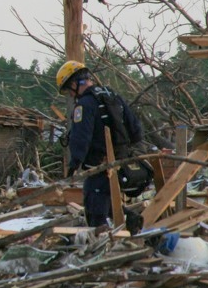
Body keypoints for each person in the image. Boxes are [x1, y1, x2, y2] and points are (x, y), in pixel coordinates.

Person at [56, 61, 145, 228]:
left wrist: (74, 164)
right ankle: (131, 220)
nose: (70, 95)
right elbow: (135, 129)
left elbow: (81, 137)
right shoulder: (112, 96)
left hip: (98, 166)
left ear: (75, 84)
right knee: (109, 199)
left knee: (95, 207)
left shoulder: (85, 104)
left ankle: (103, 241)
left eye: (69, 90)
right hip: (119, 163)